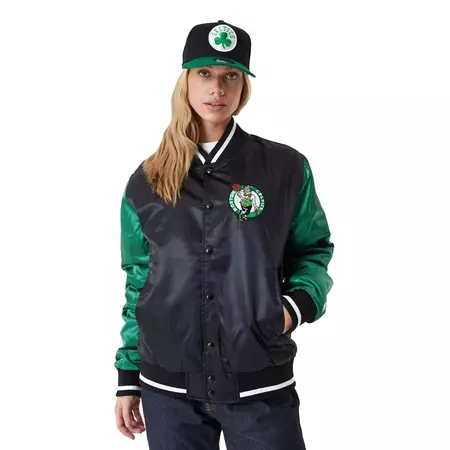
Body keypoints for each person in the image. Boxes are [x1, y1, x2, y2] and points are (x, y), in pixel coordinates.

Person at [114, 19, 334, 450]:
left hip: (259, 384)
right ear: (185, 80)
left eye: (231, 76)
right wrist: (128, 377)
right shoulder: (147, 180)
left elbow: (313, 250)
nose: (217, 88)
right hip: (168, 392)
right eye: (205, 73)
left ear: (244, 86)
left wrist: (291, 310)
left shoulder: (285, 168)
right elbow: (139, 279)